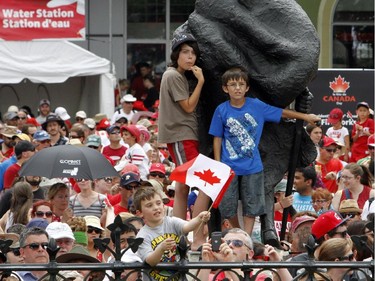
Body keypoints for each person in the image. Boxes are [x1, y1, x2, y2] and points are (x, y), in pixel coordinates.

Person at [209, 67, 320, 236]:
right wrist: (218, 163)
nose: (237, 88)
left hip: (253, 166)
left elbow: (281, 113)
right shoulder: (221, 110)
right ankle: (238, 232)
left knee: (252, 205)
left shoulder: (256, 106)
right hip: (228, 166)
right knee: (227, 205)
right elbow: (217, 138)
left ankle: (246, 236)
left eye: (241, 84)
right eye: (233, 84)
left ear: (247, 88)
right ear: (225, 88)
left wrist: (306, 117)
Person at [157, 33, 210, 249]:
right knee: (207, 183)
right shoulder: (173, 76)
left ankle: (179, 236)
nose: (190, 58)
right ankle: (195, 236)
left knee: (183, 186)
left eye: (193, 54)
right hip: (182, 135)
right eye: (185, 52)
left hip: (182, 135)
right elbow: (188, 106)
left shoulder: (174, 75)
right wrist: (201, 82)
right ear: (176, 54)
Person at [134, 186, 210, 280]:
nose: (156, 208)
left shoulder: (171, 221)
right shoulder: (142, 235)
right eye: (149, 205)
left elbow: (187, 227)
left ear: (163, 205)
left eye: (158, 203)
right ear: (140, 213)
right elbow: (150, 261)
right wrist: (161, 249)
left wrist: (199, 218)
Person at [197, 228, 292, 281]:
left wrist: (279, 264)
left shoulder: (259, 278)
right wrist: (206, 263)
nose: (230, 245)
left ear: (250, 254)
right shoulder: (211, 277)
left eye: (237, 243)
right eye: (227, 242)